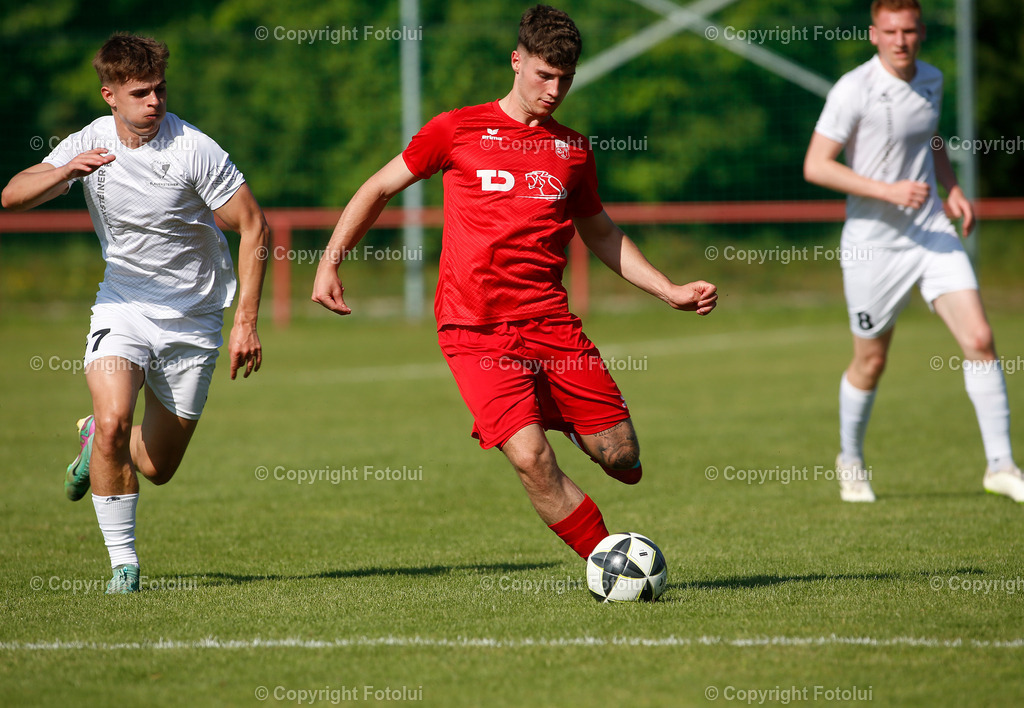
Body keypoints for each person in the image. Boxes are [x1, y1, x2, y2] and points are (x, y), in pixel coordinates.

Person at [313, 5, 717, 560]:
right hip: (473, 328)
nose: (554, 89)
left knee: (623, 459)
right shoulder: (456, 129)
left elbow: (600, 231)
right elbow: (380, 186)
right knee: (530, 458)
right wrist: (331, 260)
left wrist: (668, 289)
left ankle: (568, 421)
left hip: (551, 324)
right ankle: (612, 563)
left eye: (566, 79)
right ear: (516, 60)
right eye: (544, 75)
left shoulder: (572, 150)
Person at [1, 34, 269, 592]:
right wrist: (66, 170)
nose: (154, 101)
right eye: (141, 92)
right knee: (117, 421)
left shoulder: (194, 148)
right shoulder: (88, 143)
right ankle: (124, 566)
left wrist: (245, 319)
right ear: (110, 95)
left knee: (157, 467)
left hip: (195, 318)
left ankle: (93, 436)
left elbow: (253, 226)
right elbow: (12, 195)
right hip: (122, 305)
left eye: (160, 90)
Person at [803, 0, 1019, 502]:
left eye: (910, 30)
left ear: (921, 33)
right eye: (891, 31)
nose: (901, 40)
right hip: (873, 246)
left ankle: (1001, 465)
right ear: (874, 34)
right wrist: (887, 190)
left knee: (981, 337)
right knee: (872, 362)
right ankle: (850, 461)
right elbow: (817, 165)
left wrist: (952, 186)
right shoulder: (852, 90)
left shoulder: (933, 79)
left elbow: (929, 138)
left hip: (931, 232)